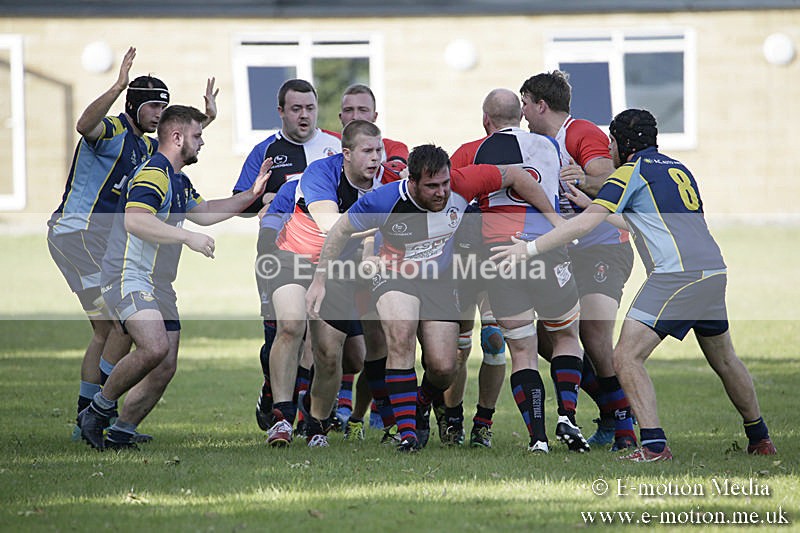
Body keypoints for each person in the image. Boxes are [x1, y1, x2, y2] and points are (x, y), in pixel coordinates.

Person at [491, 108, 777, 461]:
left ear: (621, 144)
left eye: (611, 141)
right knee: (725, 360)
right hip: (713, 271)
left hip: (676, 276)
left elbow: (581, 228)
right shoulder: (677, 168)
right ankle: (760, 438)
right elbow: (647, 222)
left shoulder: (630, 172)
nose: (608, 148)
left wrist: (529, 248)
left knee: (625, 356)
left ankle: (654, 445)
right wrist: (594, 206)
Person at [306, 144, 559, 451]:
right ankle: (408, 433)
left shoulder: (464, 182)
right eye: (431, 186)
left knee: (443, 367)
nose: (441, 192)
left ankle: (420, 403)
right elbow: (339, 231)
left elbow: (516, 175)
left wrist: (555, 220)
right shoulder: (385, 199)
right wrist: (320, 279)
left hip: (439, 280)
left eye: (444, 184)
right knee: (401, 336)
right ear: (411, 182)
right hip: (393, 274)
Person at [77, 105, 272, 450]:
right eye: (198, 135)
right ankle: (96, 411)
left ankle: (122, 431)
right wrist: (187, 238)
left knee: (165, 364)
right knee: (153, 347)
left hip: (157, 283)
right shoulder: (155, 173)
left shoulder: (178, 179)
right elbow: (135, 220)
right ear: (177, 137)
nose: (202, 142)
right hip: (127, 274)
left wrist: (252, 194)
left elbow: (206, 212)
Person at [47, 46, 217, 441]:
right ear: (135, 106)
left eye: (165, 108)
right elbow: (84, 124)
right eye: (153, 107)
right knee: (113, 329)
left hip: (101, 241)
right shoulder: (115, 130)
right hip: (77, 234)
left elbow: (178, 134)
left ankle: (93, 417)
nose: (159, 114)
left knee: (115, 330)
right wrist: (118, 85)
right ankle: (88, 418)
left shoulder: (145, 147)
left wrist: (205, 119)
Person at [452, 88, 589, 454]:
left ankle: (538, 439)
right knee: (565, 336)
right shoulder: (551, 145)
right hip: (547, 249)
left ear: (486, 121)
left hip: (500, 255)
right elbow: (567, 188)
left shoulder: (476, 150)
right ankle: (568, 415)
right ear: (521, 115)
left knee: (523, 351)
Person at [520, 70, 636, 451]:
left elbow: (609, 181)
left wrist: (584, 178)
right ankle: (610, 406)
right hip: (567, 250)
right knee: (545, 336)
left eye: (525, 103)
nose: (521, 113)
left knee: (594, 335)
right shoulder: (536, 143)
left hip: (604, 245)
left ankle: (624, 429)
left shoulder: (579, 131)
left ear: (541, 105)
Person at [231, 79, 341, 435]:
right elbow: (243, 204)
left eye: (310, 108)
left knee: (313, 337)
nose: (304, 115)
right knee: (281, 331)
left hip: (325, 256)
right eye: (296, 109)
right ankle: (271, 391)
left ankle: (297, 413)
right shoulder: (265, 150)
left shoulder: (335, 147)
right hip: (277, 252)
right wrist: (268, 199)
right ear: (281, 111)